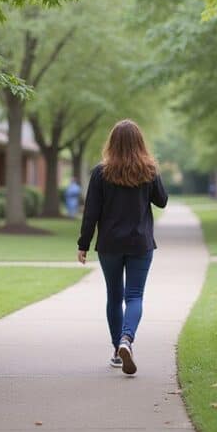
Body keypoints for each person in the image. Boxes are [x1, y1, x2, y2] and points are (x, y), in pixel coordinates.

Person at [77, 119, 168, 375]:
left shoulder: (100, 172)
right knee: (135, 295)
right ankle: (127, 339)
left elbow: (91, 213)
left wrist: (83, 244)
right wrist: (154, 172)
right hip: (140, 243)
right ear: (140, 142)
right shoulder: (148, 170)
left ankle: (118, 350)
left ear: (112, 142)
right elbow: (162, 201)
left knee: (114, 296)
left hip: (110, 245)